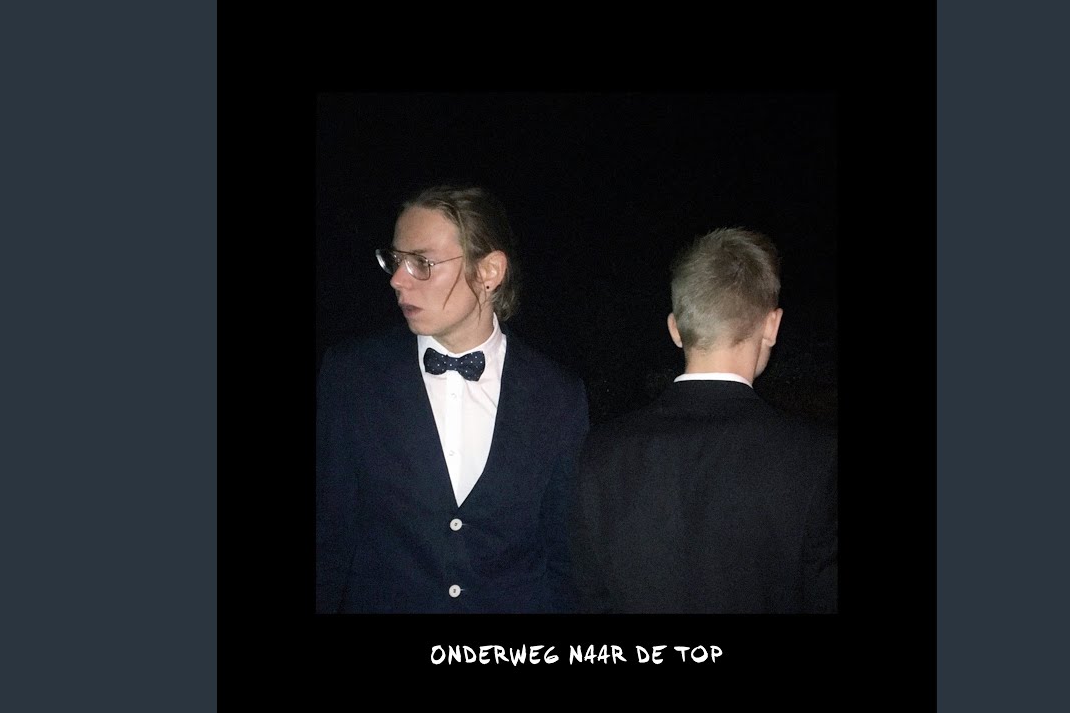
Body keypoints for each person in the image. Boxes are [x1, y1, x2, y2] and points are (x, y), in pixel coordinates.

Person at [316, 184, 589, 613]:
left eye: (422, 263)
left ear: (489, 271)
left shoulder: (557, 395)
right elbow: (329, 538)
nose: (397, 279)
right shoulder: (353, 376)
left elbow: (563, 557)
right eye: (396, 260)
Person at [571, 227, 837, 613]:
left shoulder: (600, 453)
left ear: (675, 329)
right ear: (772, 325)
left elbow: (588, 598)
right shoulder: (814, 458)